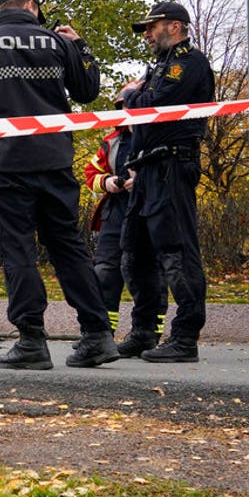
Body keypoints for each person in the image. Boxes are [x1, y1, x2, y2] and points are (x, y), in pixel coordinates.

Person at [0, 0, 118, 369]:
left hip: (8, 164)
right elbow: (87, 91)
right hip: (54, 161)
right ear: (33, 7)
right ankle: (97, 335)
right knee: (68, 249)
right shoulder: (57, 43)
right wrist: (79, 46)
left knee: (18, 251)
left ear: (3, 8)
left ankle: (32, 340)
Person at [122, 1, 215, 363]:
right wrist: (138, 96)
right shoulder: (160, 64)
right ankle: (144, 332)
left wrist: (131, 95)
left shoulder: (188, 62)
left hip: (172, 166)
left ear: (174, 27)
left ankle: (185, 337)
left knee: (176, 253)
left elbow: (152, 103)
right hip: (146, 170)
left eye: (151, 27)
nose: (146, 34)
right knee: (135, 255)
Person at [83, 90, 168, 356]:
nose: (126, 112)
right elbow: (91, 173)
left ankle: (147, 333)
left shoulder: (162, 137)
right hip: (116, 212)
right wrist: (108, 182)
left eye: (131, 106)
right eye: (123, 107)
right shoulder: (113, 141)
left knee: (148, 273)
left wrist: (144, 181)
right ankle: (101, 334)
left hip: (149, 210)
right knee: (105, 270)